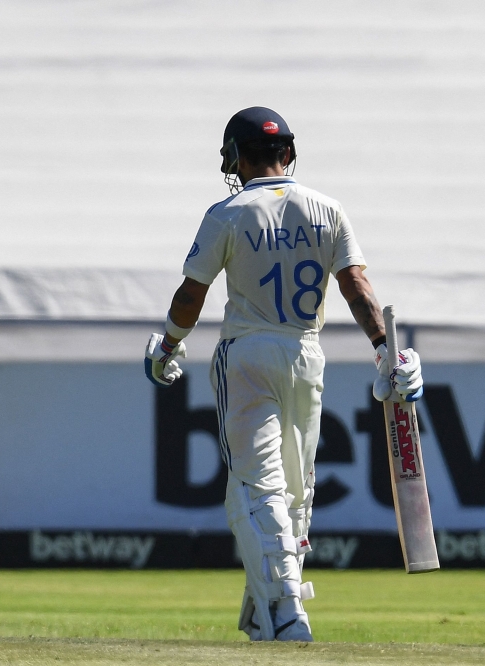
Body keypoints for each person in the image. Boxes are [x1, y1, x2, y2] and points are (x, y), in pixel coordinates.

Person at [145, 107, 423, 642]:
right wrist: (388, 350)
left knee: (257, 486)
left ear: (240, 158)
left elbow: (190, 295)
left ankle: (286, 608)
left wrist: (168, 345)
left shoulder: (227, 213)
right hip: (307, 355)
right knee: (296, 490)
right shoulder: (328, 209)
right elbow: (357, 289)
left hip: (248, 353)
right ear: (289, 154)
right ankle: (262, 605)